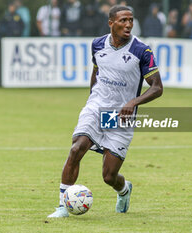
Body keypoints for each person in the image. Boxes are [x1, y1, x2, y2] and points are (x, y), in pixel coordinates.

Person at [47, 5, 163, 218]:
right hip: (97, 107)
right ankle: (63, 205)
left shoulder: (142, 50)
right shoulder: (97, 44)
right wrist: (92, 98)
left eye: (131, 20)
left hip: (121, 116)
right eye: (123, 20)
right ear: (111, 23)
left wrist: (133, 102)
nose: (128, 24)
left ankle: (124, 189)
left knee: (109, 176)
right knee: (76, 148)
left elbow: (157, 88)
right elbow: (96, 72)